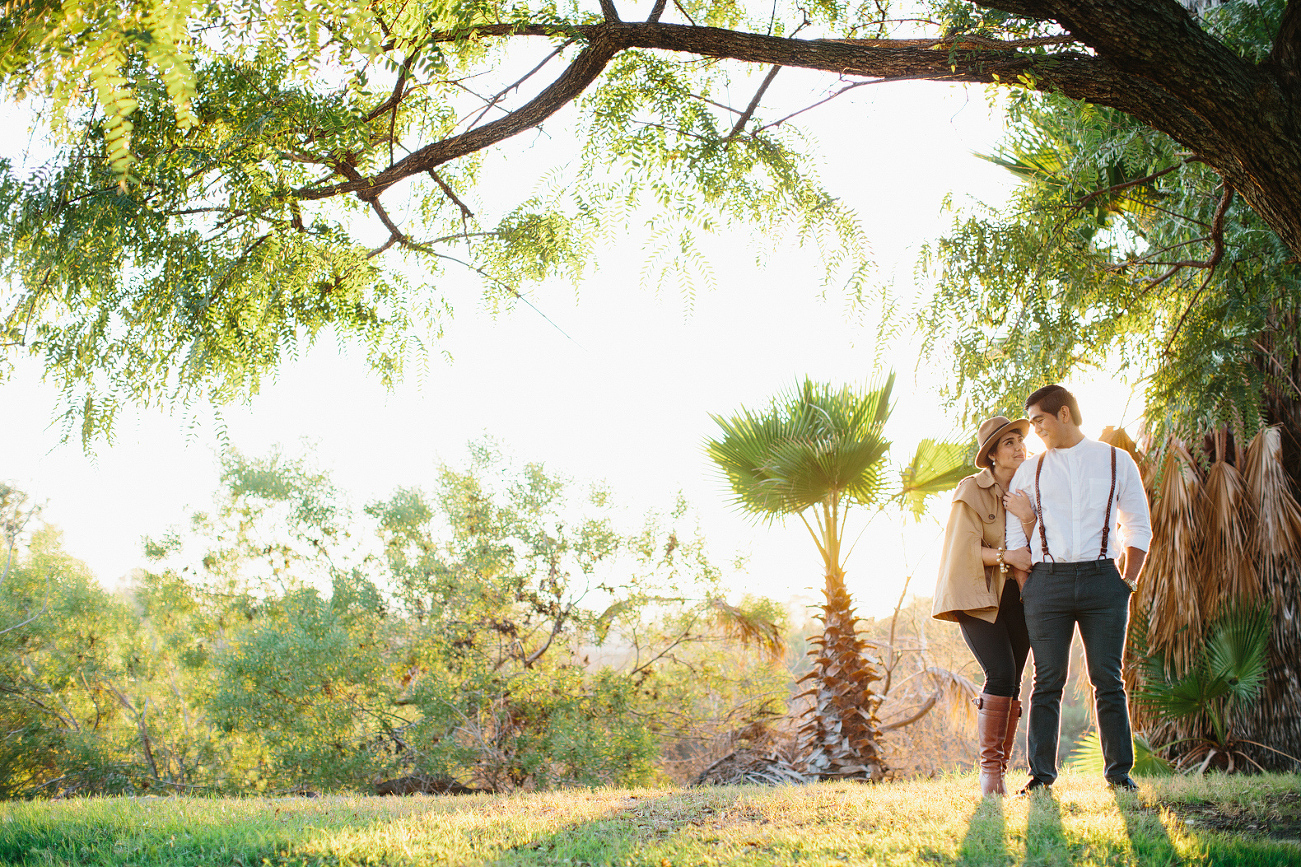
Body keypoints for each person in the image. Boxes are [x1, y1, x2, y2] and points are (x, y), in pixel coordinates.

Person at [1005, 384, 1151, 795]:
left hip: (1104, 580)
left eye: (1039, 421)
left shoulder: (1115, 460)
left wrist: (1128, 581)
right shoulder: (1029, 471)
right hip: (1046, 583)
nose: (1035, 431)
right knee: (1047, 680)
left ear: (1064, 414)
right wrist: (1026, 585)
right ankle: (1040, 776)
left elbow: (1138, 523)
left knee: (1108, 678)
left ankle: (1119, 774)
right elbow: (1015, 531)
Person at [933, 415, 1036, 796]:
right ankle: (990, 773)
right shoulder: (970, 490)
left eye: (1019, 440)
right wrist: (1010, 557)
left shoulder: (1032, 486)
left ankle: (1001, 770)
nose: (1018, 447)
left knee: (1014, 682)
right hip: (978, 594)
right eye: (1008, 442)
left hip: (1021, 595)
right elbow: (964, 550)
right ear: (991, 454)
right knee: (1002, 672)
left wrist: (1028, 520)